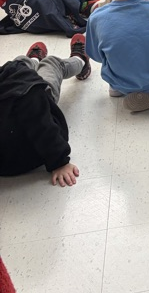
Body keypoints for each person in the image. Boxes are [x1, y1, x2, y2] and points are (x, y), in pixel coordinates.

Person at [0, 36, 89, 185]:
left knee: (18, 65)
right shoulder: (27, 96)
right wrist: (59, 161)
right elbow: (39, 120)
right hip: (30, 150)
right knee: (51, 63)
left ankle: (32, 60)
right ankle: (81, 60)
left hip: (7, 162)